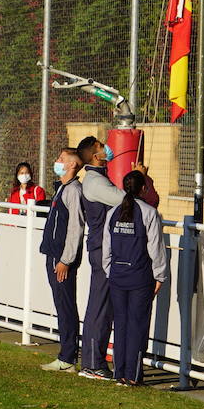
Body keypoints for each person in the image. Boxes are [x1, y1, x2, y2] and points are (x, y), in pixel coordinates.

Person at [76, 135, 159, 380]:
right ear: (94, 155)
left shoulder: (99, 178)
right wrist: (139, 179)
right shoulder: (94, 182)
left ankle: (99, 361)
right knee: (100, 306)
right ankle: (92, 362)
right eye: (102, 147)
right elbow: (127, 201)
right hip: (105, 253)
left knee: (109, 308)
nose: (108, 150)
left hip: (110, 252)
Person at [101, 170, 168, 386]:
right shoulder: (149, 212)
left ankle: (118, 372)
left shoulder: (112, 213)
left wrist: (110, 272)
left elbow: (106, 249)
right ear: (143, 189)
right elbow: (156, 248)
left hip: (118, 277)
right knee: (137, 327)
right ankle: (132, 375)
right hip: (140, 277)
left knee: (120, 325)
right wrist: (160, 275)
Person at [39, 148, 87, 372]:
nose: (56, 162)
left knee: (66, 305)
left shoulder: (74, 190)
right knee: (61, 304)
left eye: (61, 159)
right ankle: (66, 354)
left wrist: (66, 260)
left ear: (72, 166)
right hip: (53, 255)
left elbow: (75, 228)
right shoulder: (62, 189)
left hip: (61, 260)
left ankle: (68, 358)